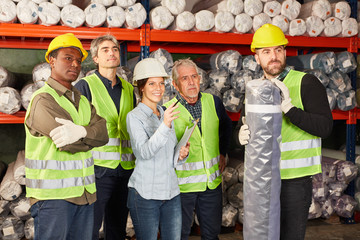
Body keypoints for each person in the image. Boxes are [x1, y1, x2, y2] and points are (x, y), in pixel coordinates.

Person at [237, 24, 333, 240]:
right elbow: (240, 127)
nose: (274, 57)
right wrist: (239, 136)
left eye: (278, 50)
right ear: (256, 58)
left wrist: (290, 110)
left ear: (285, 52)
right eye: (266, 52)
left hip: (295, 182)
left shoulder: (305, 83)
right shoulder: (254, 90)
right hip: (263, 180)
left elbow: (325, 127)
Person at [24, 33, 109, 240]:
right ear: (51, 61)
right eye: (68, 58)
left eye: (79, 60)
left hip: (84, 194)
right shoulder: (43, 100)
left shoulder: (81, 100)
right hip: (53, 199)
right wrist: (90, 136)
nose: (75, 64)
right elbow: (67, 144)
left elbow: (104, 135)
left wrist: (81, 132)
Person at [163, 58, 233, 240]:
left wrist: (222, 152)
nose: (192, 82)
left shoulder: (214, 102)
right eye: (185, 78)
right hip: (181, 187)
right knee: (178, 234)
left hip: (211, 184)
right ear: (175, 84)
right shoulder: (166, 111)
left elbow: (226, 127)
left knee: (211, 233)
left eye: (194, 76)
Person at [75, 34, 136, 240]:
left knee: (118, 228)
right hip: (97, 171)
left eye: (115, 49)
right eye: (105, 50)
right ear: (95, 58)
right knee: (89, 228)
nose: (112, 53)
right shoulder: (85, 86)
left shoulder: (128, 89)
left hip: (125, 170)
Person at [126, 57, 190, 240]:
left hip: (171, 193)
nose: (158, 88)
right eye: (152, 83)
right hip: (145, 195)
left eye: (161, 83)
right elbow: (144, 152)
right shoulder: (135, 117)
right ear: (141, 87)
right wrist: (165, 125)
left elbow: (167, 154)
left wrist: (180, 153)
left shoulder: (164, 112)